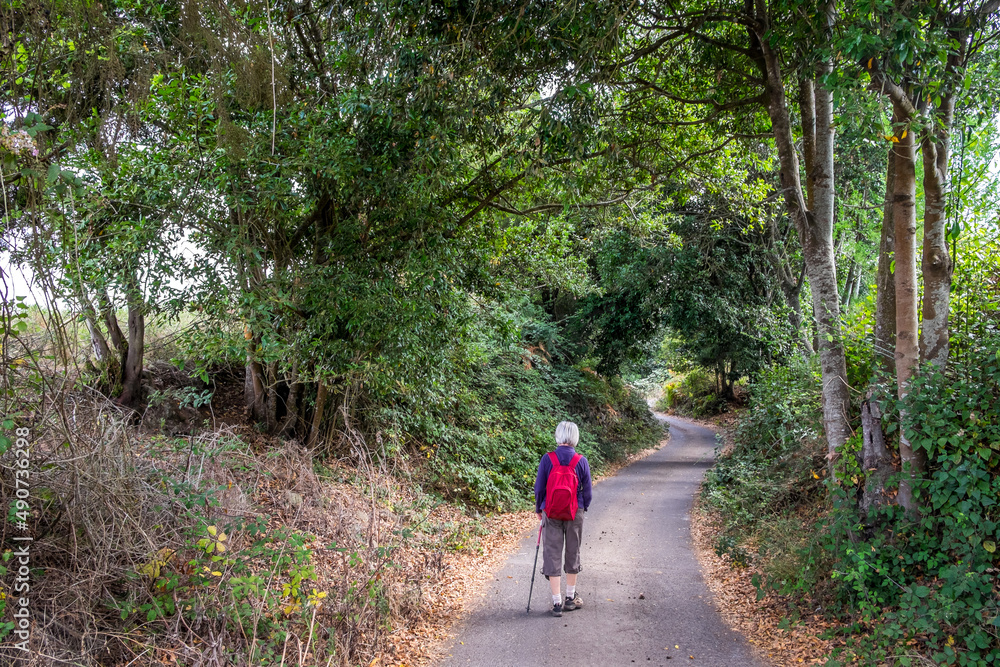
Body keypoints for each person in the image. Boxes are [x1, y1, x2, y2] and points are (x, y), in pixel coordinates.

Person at [534, 420, 592, 617]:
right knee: (572, 550)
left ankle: (556, 602)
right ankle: (570, 598)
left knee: (552, 551)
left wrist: (539, 508)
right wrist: (583, 507)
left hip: (551, 510)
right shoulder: (580, 460)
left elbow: (540, 487)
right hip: (575, 511)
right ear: (575, 437)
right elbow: (588, 491)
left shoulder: (547, 459)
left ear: (558, 436)